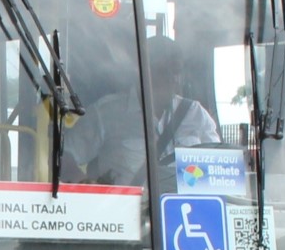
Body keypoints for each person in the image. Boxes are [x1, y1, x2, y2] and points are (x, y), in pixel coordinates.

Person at [63, 33, 221, 186]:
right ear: (143, 71)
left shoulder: (195, 114)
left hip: (182, 209)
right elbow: (63, 156)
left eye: (177, 72)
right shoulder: (107, 113)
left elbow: (218, 168)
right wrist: (85, 186)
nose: (173, 79)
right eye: (164, 71)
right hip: (126, 210)